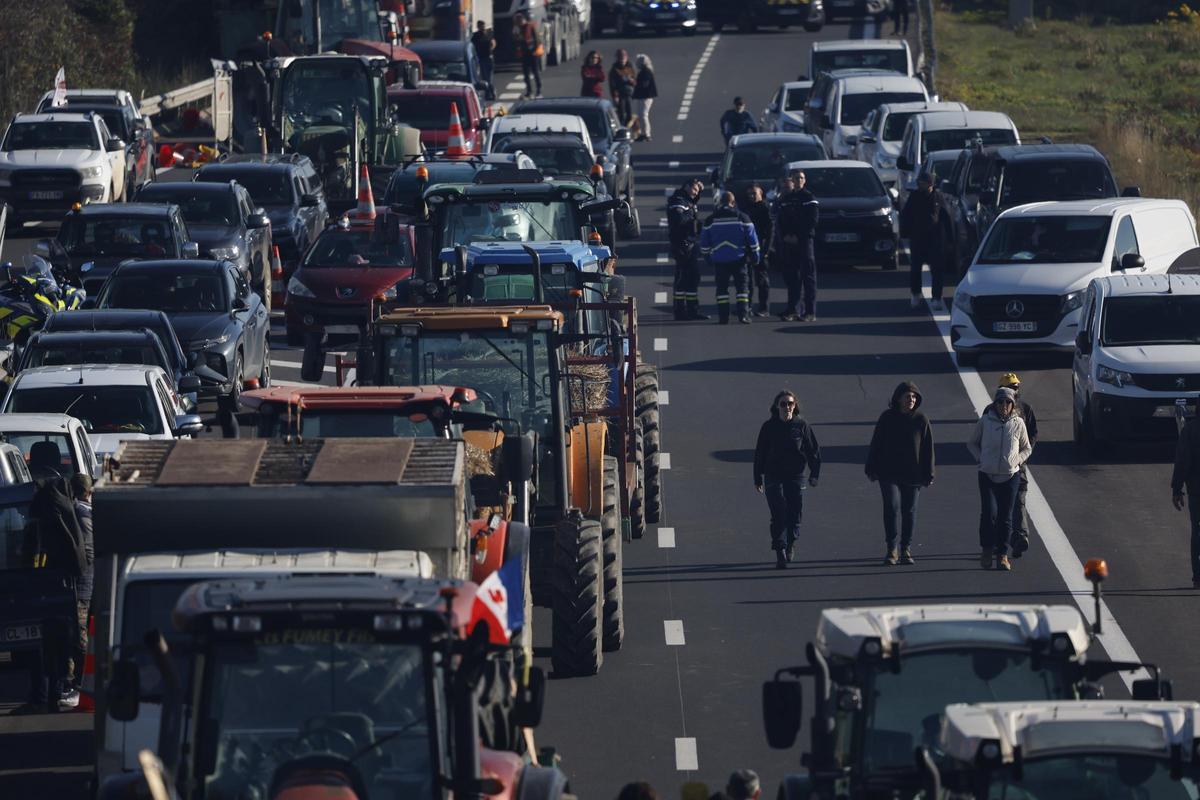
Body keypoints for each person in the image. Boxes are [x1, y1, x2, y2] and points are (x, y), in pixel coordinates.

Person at [866, 382, 935, 566]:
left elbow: (928, 449)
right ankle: (891, 548)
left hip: (913, 474)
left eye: (914, 397)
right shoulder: (887, 418)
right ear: (898, 398)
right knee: (891, 507)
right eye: (907, 396)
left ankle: (906, 548)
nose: (911, 400)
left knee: (909, 511)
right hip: (888, 473)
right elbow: (876, 443)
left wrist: (929, 473)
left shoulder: (921, 419)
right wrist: (871, 468)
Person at [967, 387, 1033, 571]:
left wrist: (1017, 461)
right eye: (1000, 402)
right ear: (994, 404)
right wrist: (980, 458)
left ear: (1012, 405)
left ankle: (1002, 555)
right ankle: (987, 550)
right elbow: (971, 443)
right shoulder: (985, 422)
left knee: (1005, 517)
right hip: (987, 475)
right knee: (989, 514)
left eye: (1007, 402)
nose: (1004, 405)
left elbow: (1027, 448)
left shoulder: (1018, 423)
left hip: (1010, 476)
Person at [754, 391, 821, 568]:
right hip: (773, 476)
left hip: (796, 476)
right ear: (777, 407)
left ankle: (791, 542)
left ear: (795, 406)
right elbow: (760, 452)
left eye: (790, 404)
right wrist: (757, 477)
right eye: (783, 404)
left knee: (795, 512)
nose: (787, 407)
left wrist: (815, 474)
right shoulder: (768, 427)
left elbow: (813, 450)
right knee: (778, 513)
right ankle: (780, 551)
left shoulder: (801, 426)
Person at [985, 372, 1037, 557]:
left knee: (1018, 501)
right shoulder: (990, 411)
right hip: (994, 469)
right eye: (1009, 388)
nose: (1013, 391)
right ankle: (1000, 541)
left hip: (1017, 467)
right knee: (1000, 507)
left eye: (1015, 388)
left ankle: (1020, 537)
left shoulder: (1025, 409)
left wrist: (1021, 456)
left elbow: (1031, 436)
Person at [700, 191, 760, 324]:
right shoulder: (743, 217)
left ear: (720, 203)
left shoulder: (710, 219)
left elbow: (704, 243)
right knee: (742, 289)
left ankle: (723, 317)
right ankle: (743, 315)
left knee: (722, 290)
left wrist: (708, 258)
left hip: (720, 261)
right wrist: (756, 256)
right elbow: (753, 240)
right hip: (739, 259)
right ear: (733, 203)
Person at [64, 472, 94, 709]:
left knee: (78, 634)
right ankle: (76, 683)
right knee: (79, 633)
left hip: (79, 584)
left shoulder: (74, 513)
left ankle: (77, 684)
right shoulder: (86, 513)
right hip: (86, 583)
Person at [775, 170, 819, 321]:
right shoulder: (787, 199)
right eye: (796, 178)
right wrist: (787, 235)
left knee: (808, 277)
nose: (798, 180)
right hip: (789, 241)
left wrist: (799, 236)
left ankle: (810, 312)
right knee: (792, 277)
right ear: (792, 181)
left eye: (801, 178)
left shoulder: (809, 198)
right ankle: (793, 309)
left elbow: (812, 220)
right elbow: (781, 220)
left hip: (805, 241)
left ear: (804, 180)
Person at [899, 171, 945, 311]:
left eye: (923, 182)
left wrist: (947, 239)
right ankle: (915, 294)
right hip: (918, 238)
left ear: (930, 184)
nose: (921, 185)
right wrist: (905, 233)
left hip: (934, 239)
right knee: (915, 269)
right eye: (920, 182)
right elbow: (906, 215)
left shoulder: (938, 197)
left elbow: (945, 217)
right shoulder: (914, 196)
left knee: (937, 269)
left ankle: (936, 297)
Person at [668, 178, 706, 320]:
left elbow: (692, 204)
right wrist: (694, 224)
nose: (696, 193)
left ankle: (692, 310)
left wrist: (699, 193)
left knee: (693, 278)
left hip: (689, 243)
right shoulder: (679, 202)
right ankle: (680, 311)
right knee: (683, 278)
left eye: (698, 191)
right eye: (695, 189)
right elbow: (679, 220)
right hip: (682, 245)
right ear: (687, 187)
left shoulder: (687, 200)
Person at [1172, 415, 1200, 588]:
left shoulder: (1190, 429)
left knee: (1197, 531)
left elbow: (1182, 461)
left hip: (1196, 490)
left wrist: (1177, 489)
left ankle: (1198, 576)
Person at [743, 184, 773, 317]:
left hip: (761, 248)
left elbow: (770, 231)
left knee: (762, 280)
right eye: (749, 194)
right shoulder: (746, 209)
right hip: (748, 249)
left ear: (761, 194)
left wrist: (766, 250)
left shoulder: (765, 208)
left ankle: (764, 308)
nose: (751, 196)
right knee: (747, 280)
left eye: (754, 193)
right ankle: (746, 306)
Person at [513, 13, 543, 99]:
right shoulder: (518, 29)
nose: (518, 23)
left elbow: (537, 39)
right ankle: (529, 92)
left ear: (523, 20)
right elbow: (517, 41)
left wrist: (534, 50)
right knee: (526, 75)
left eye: (519, 21)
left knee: (535, 72)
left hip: (533, 54)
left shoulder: (530, 27)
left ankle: (539, 91)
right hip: (525, 54)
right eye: (517, 22)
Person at [632, 54, 657, 142]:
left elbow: (644, 84)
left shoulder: (646, 72)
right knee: (641, 115)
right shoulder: (645, 71)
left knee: (643, 115)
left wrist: (635, 84)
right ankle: (643, 133)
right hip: (643, 96)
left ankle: (646, 134)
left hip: (646, 96)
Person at [609, 49, 636, 126]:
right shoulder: (614, 69)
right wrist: (615, 96)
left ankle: (626, 127)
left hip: (629, 92)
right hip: (620, 94)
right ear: (617, 58)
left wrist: (631, 80)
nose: (622, 60)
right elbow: (612, 84)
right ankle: (621, 128)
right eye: (620, 57)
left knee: (629, 114)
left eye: (623, 57)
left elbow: (635, 79)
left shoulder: (630, 66)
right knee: (621, 114)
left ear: (626, 57)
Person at [471, 21, 495, 100]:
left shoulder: (489, 33)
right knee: (485, 77)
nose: (483, 27)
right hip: (482, 58)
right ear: (478, 26)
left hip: (489, 57)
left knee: (489, 77)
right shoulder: (476, 36)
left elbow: (493, 42)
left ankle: (491, 92)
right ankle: (489, 93)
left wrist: (491, 48)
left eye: (483, 26)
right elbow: (472, 46)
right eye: (481, 26)